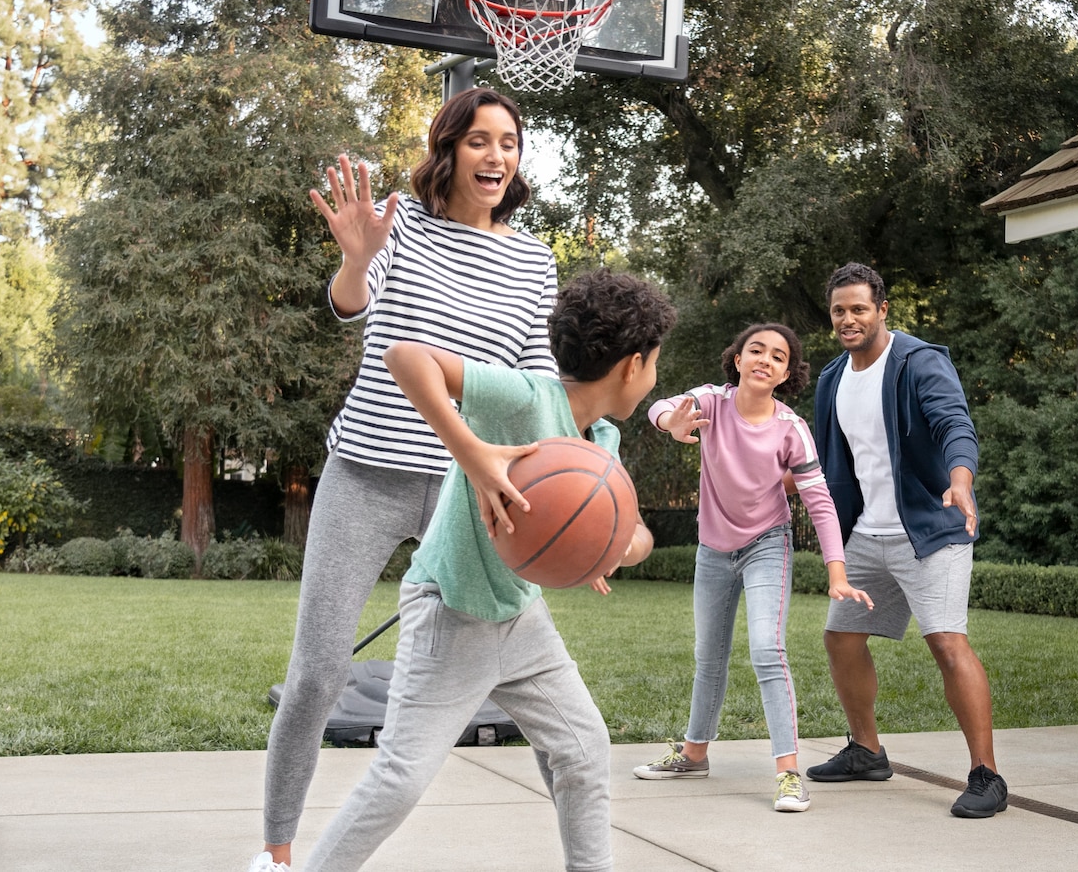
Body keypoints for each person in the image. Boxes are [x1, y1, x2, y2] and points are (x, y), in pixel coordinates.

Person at [251, 88, 558, 872]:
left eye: (510, 143)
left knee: (528, 664)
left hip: (472, 480)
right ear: (449, 149)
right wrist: (356, 258)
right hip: (367, 471)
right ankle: (277, 854)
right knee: (318, 672)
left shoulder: (532, 258)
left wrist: (568, 463)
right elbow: (351, 305)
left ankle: (579, 843)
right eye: (480, 141)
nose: (497, 156)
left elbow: (537, 376)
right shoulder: (402, 222)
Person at [297, 269, 674, 872]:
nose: (654, 376)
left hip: (521, 621)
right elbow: (405, 356)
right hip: (450, 610)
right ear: (633, 365)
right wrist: (470, 453)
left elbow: (627, 535)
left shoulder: (600, 445)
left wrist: (615, 547)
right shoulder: (524, 397)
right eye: (655, 363)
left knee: (582, 749)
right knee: (401, 778)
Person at [630, 323, 874, 813]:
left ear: (786, 373)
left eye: (778, 356)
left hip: (767, 544)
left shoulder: (791, 428)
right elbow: (661, 406)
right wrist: (670, 424)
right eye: (755, 350)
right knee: (708, 655)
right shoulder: (712, 402)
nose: (765, 359)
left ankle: (788, 775)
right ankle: (694, 754)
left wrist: (837, 571)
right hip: (713, 549)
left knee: (767, 648)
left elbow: (819, 501)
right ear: (737, 360)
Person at [804, 262, 1007, 818]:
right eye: (839, 311)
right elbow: (824, 460)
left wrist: (960, 479)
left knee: (946, 642)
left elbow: (953, 424)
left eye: (859, 309)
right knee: (841, 639)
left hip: (930, 530)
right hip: (867, 534)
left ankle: (987, 775)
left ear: (882, 310)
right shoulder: (831, 379)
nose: (848, 319)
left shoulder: (918, 361)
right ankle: (866, 751)